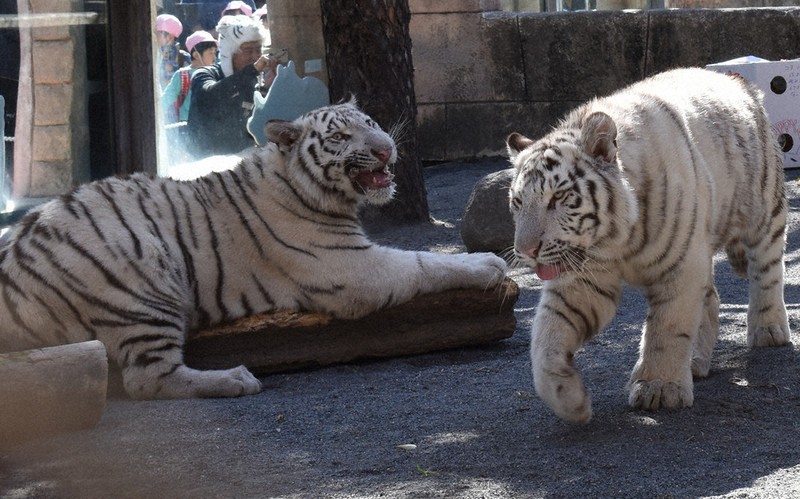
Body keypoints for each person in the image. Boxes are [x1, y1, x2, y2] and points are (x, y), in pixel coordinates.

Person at [187, 14, 277, 157]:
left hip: (242, 162)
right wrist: (252, 70)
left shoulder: (251, 79)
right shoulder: (204, 74)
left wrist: (266, 89)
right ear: (229, 53)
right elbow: (209, 95)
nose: (255, 56)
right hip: (204, 160)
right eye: (248, 51)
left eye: (258, 50)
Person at [161, 30, 218, 124]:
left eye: (215, 52)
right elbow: (166, 99)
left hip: (210, 126)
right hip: (188, 127)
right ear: (196, 55)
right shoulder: (182, 75)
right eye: (210, 53)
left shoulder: (216, 73)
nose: (214, 57)